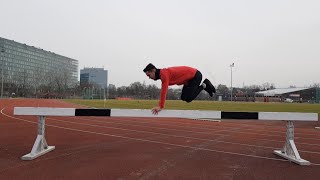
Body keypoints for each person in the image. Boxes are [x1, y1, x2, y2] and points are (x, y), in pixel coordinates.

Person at [143, 63, 216, 115]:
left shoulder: (164, 74)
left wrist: (161, 106)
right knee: (183, 97)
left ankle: (204, 85)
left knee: (189, 98)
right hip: (188, 81)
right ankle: (205, 85)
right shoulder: (163, 73)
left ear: (153, 70)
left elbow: (164, 91)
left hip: (195, 76)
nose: (149, 77)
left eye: (149, 75)